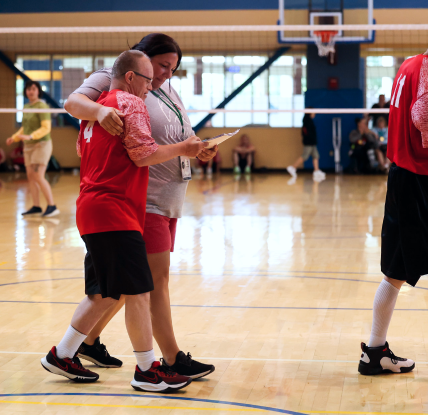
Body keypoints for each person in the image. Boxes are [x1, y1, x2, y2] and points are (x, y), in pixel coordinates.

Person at [41, 50, 206, 391]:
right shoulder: (130, 104)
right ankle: (147, 370)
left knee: (105, 291)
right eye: (149, 79)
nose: (153, 86)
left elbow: (85, 152)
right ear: (131, 77)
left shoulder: (96, 110)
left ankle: (64, 353)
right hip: (114, 210)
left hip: (92, 207)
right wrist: (183, 148)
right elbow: (144, 155)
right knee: (140, 291)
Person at [357, 52, 428, 375]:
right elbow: (423, 117)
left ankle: (375, 350)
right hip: (418, 176)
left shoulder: (409, 63)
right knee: (396, 272)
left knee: (395, 272)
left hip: (402, 173)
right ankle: (374, 351)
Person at [5, 81, 59, 217]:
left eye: (33, 88)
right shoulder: (26, 106)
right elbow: (25, 128)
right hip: (28, 146)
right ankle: (36, 206)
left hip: (41, 145)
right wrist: (15, 137)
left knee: (38, 175)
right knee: (30, 176)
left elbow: (46, 128)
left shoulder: (42, 106)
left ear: (38, 91)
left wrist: (31, 136)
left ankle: (52, 206)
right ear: (25, 92)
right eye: (28, 89)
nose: (30, 91)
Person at [287, 112, 326, 181]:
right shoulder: (307, 122)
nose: (314, 114)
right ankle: (292, 167)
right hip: (309, 143)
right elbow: (306, 133)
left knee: (316, 156)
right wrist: (310, 140)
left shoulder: (310, 121)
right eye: (313, 112)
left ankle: (316, 171)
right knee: (304, 156)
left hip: (312, 143)